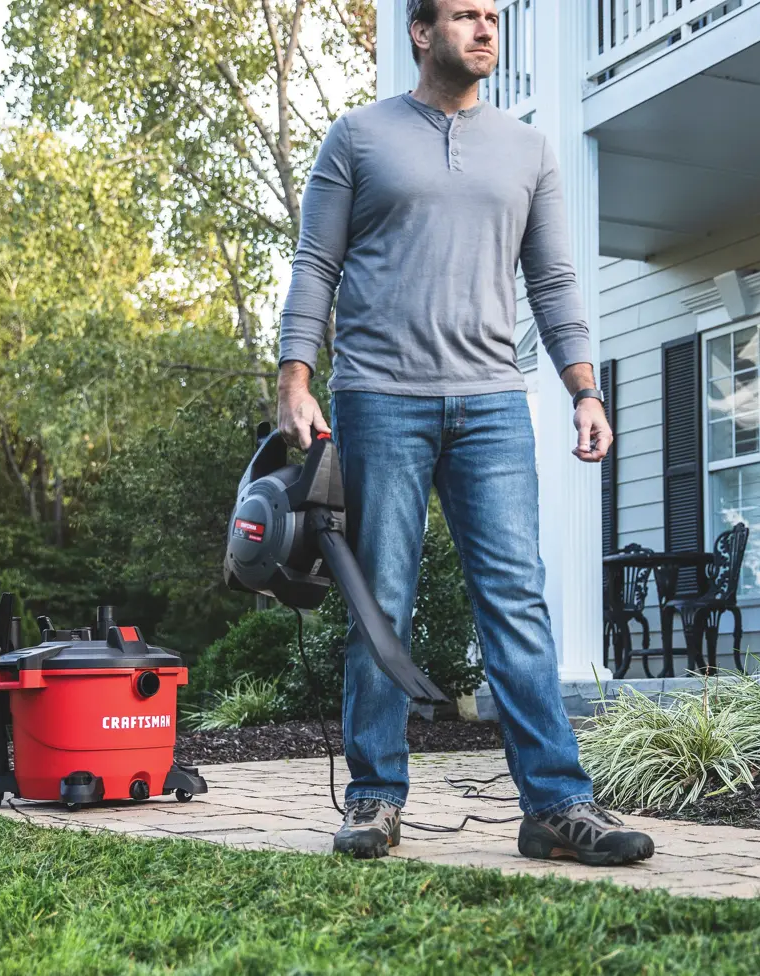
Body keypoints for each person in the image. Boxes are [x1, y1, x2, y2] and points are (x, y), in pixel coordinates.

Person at [276, 0, 655, 866]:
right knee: (383, 602)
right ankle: (374, 799)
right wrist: (296, 378)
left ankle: (557, 805)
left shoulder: (526, 149)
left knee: (515, 599)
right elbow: (315, 265)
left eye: (493, 15)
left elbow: (554, 280)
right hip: (379, 396)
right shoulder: (357, 138)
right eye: (465, 15)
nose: (486, 29)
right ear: (421, 31)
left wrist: (583, 390)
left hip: (491, 402)